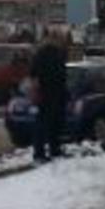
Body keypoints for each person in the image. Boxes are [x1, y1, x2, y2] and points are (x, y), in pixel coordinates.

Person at [29, 31, 68, 162]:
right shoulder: (57, 54)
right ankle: (50, 150)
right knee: (52, 124)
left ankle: (42, 152)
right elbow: (61, 75)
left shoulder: (39, 55)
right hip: (53, 93)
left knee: (44, 123)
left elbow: (33, 74)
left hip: (45, 93)